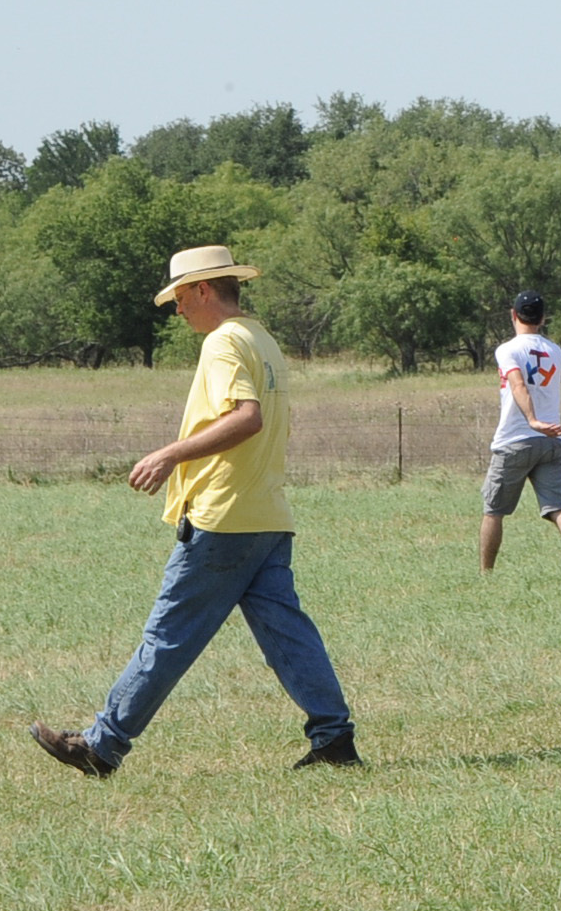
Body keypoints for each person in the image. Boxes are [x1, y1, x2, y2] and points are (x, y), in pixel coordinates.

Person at [31, 245, 360, 777]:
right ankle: (334, 738)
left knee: (170, 634)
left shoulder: (223, 342)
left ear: (204, 289)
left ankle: (101, 746)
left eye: (181, 297)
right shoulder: (262, 339)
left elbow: (247, 418)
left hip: (223, 517)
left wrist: (170, 454)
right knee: (289, 634)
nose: (178, 309)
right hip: (267, 514)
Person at [482, 291, 561, 578]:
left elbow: (518, 385)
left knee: (494, 510)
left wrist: (532, 420)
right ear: (543, 318)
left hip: (515, 439)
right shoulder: (556, 351)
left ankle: (486, 574)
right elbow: (557, 382)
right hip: (552, 440)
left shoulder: (508, 349)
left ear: (513, 314)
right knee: (560, 507)